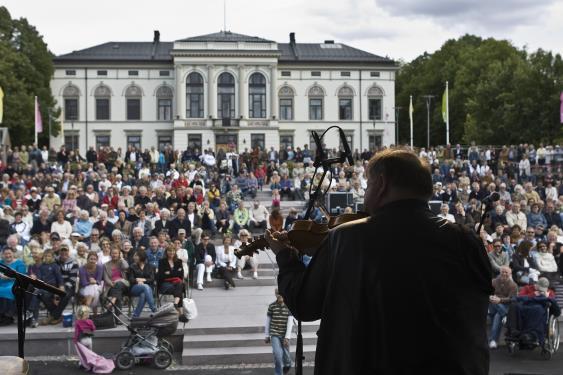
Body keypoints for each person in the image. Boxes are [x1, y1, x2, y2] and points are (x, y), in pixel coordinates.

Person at [265, 148, 493, 375]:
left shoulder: (347, 238)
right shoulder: (465, 240)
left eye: (368, 185)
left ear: (381, 184)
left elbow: (304, 304)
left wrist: (285, 256)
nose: (365, 194)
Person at [488, 266, 518, 349]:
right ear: (500, 272)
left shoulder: (513, 285)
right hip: (493, 306)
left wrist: (500, 300)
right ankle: (505, 314)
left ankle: (493, 340)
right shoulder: (493, 282)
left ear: (510, 274)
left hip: (505, 305)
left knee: (498, 316)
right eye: (502, 272)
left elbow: (512, 299)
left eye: (506, 272)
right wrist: (491, 297)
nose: (504, 273)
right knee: (493, 301)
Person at [265, 289, 293, 375]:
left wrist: (287, 337)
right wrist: (267, 335)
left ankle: (288, 364)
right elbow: (268, 321)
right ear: (275, 294)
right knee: (277, 355)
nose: (279, 295)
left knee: (286, 355)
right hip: (274, 334)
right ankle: (278, 373)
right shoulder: (272, 306)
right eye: (277, 294)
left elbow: (290, 322)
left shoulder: (289, 306)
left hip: (285, 334)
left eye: (280, 294)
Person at [157, 245, 189, 322]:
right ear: (166, 252)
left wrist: (169, 273)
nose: (171, 252)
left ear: (175, 252)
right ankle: (180, 313)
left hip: (176, 284)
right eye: (169, 251)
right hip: (165, 284)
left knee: (179, 285)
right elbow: (161, 276)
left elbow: (181, 274)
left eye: (173, 251)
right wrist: (174, 273)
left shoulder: (179, 261)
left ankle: (175, 305)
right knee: (180, 287)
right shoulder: (162, 261)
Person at [128, 249, 157, 318]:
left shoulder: (150, 266)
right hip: (135, 287)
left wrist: (142, 280)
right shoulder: (132, 267)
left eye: (136, 256)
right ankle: (153, 308)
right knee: (145, 286)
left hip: (149, 289)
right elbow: (131, 279)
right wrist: (137, 281)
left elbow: (152, 279)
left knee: (143, 294)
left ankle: (135, 315)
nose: (134, 257)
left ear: (141, 256)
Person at [103, 247, 129, 313]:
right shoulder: (106, 265)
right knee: (117, 293)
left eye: (116, 253)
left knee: (119, 284)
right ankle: (117, 317)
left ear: (119, 254)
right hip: (111, 285)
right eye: (113, 253)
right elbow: (106, 278)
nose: (114, 255)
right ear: (110, 254)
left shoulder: (121, 262)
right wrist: (111, 284)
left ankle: (112, 301)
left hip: (123, 284)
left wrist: (122, 258)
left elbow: (126, 267)